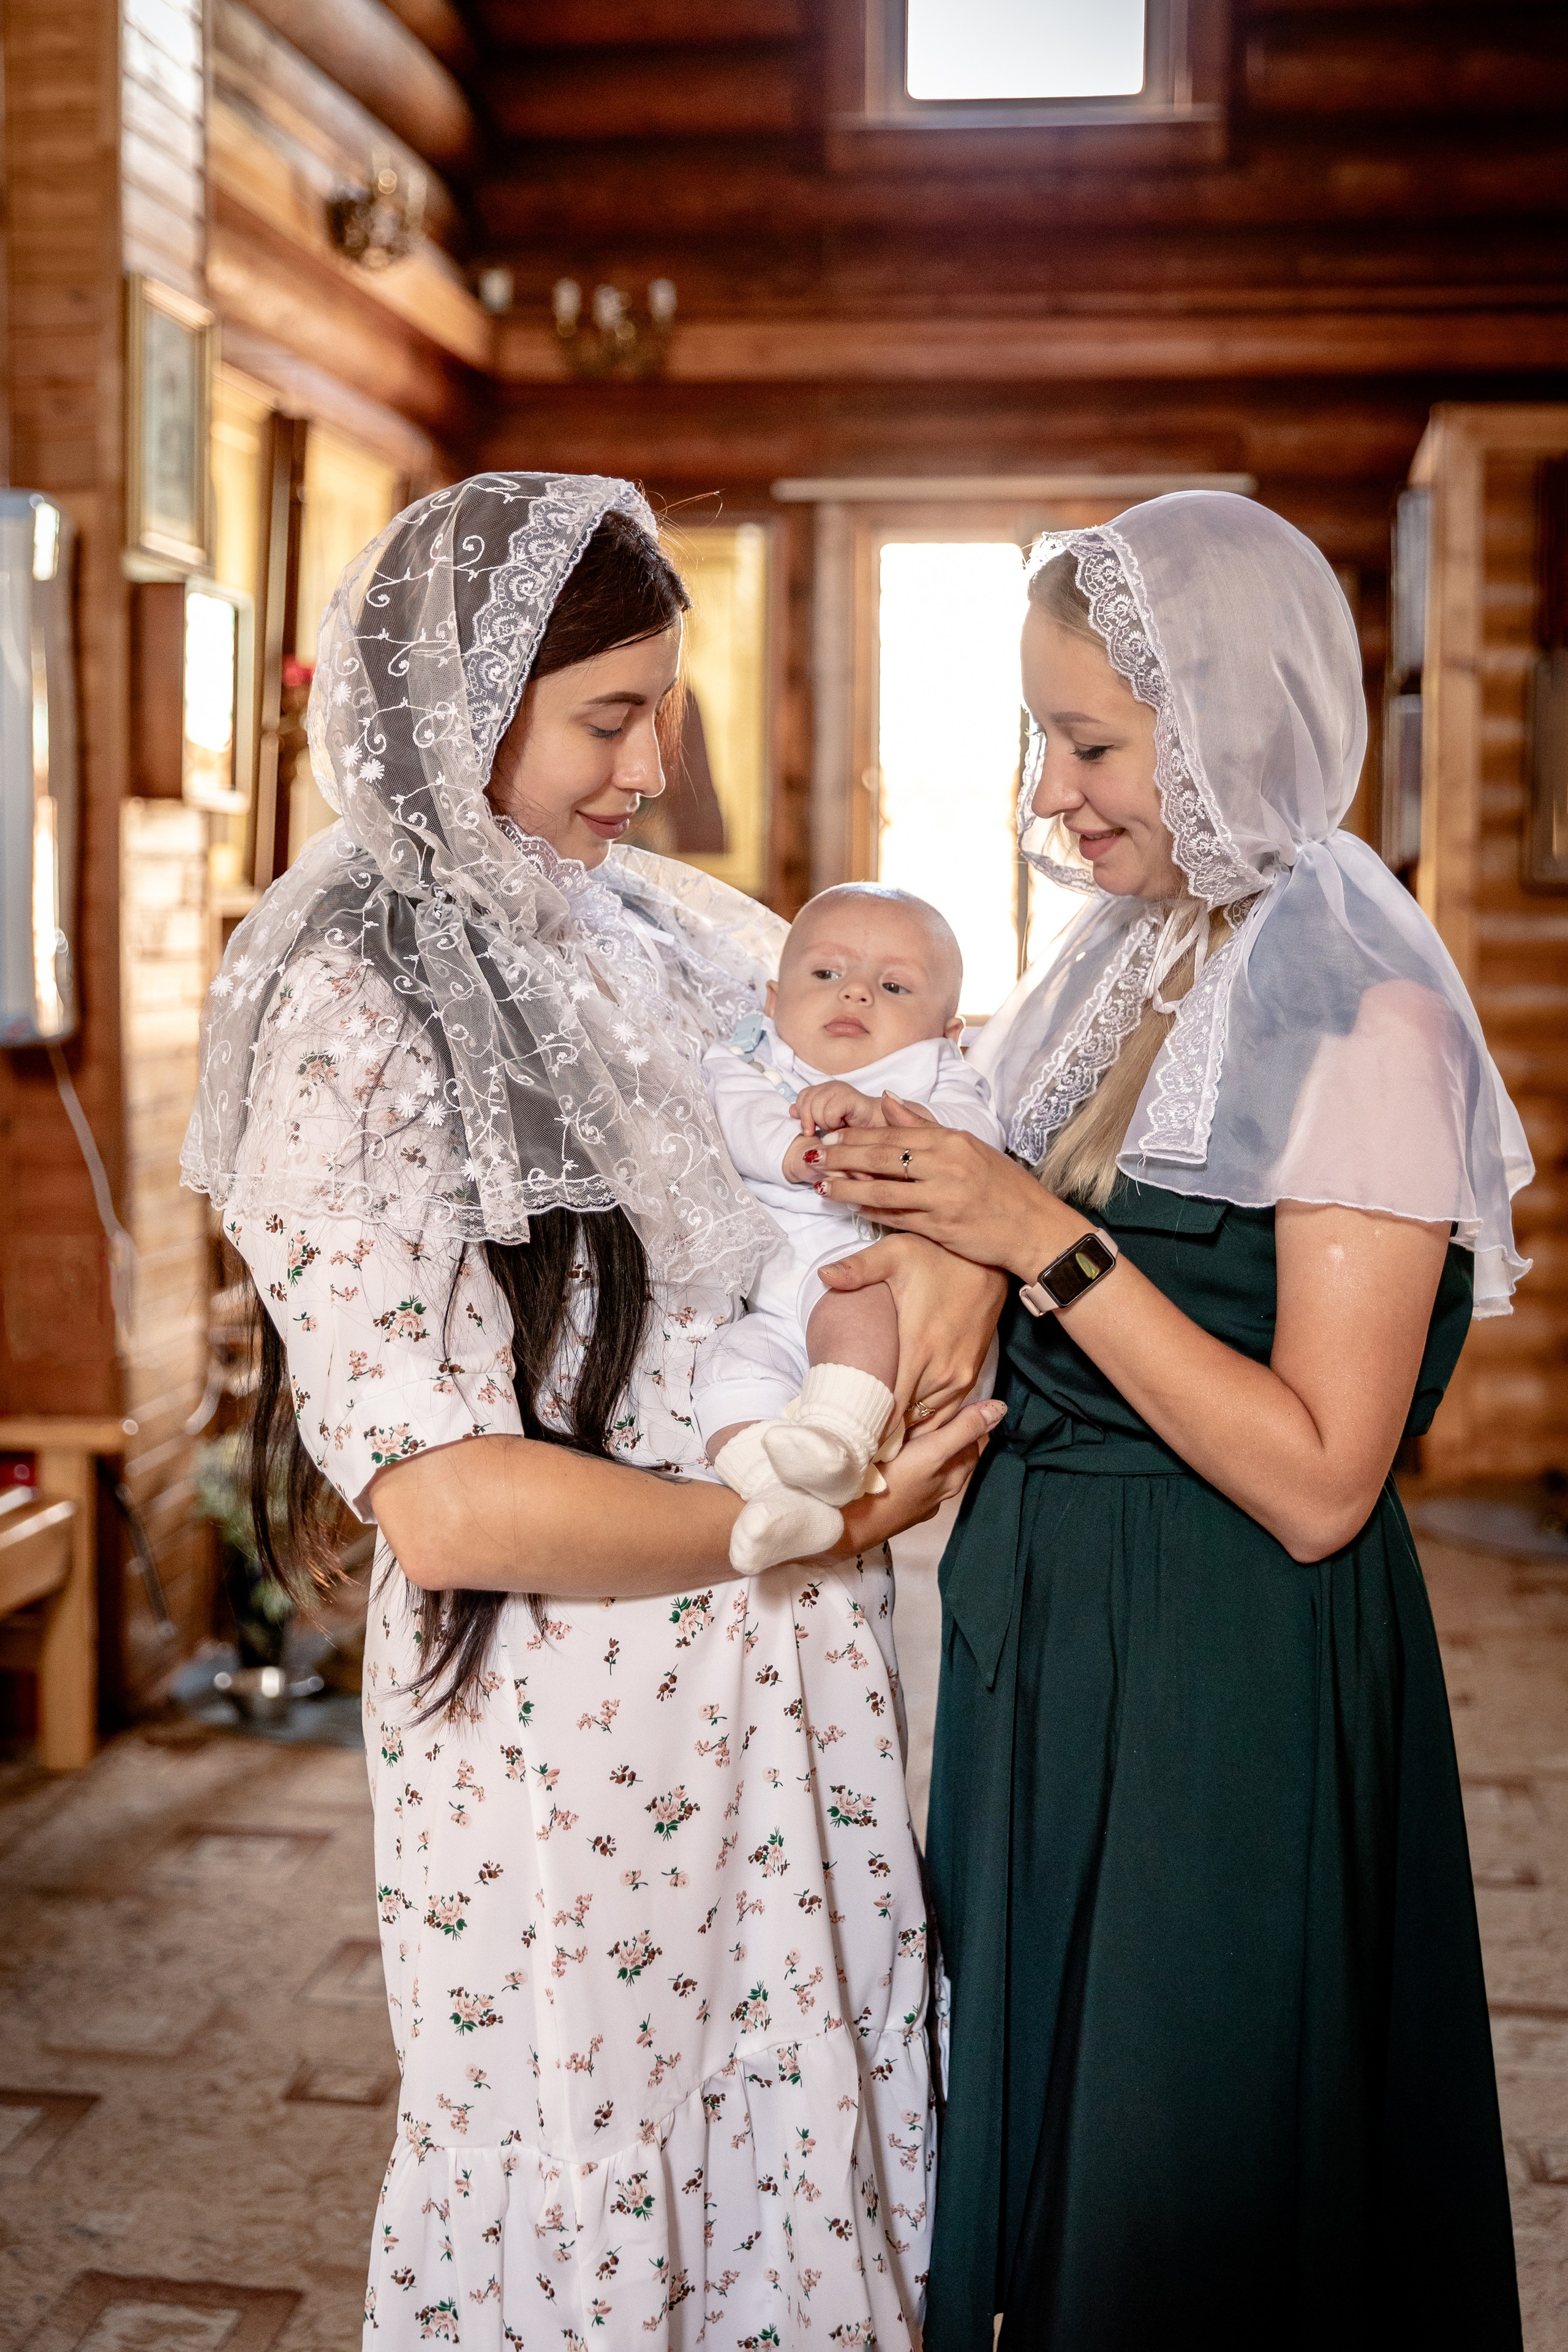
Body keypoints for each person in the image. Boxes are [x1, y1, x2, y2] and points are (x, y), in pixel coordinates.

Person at [181, 471, 1004, 2350]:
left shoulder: (660, 934)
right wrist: (812, 1519)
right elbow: (450, 1502)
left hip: (783, 1675)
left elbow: (872, 1152)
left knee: (806, 2134)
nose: (649, 767)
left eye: (665, 706)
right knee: (603, 2152)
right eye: (606, 715)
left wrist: (940, 1255)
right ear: (459, 710)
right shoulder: (348, 1001)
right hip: (574, 1715)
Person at [811, 491, 1530, 2349]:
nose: (1051, 793)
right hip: (1046, 1613)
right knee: (1033, 2112)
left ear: (1219, 725)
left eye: (1091, 741)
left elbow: (1315, 1479)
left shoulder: (1363, 1016)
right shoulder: (1127, 963)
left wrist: (1034, 1236)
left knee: (1174, 2167)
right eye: (1046, 738)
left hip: (1219, 1656)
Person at [696, 882, 1003, 1574]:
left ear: (947, 1031)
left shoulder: (935, 1073)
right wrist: (795, 1151)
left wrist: (876, 1120)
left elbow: (974, 1141)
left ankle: (836, 1439)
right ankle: (777, 1496)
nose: (856, 993)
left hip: (867, 1282)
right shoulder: (748, 1057)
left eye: (894, 987)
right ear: (774, 1002)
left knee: (853, 1296)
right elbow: (736, 1116)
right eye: (827, 973)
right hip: (769, 1294)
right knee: (726, 1365)